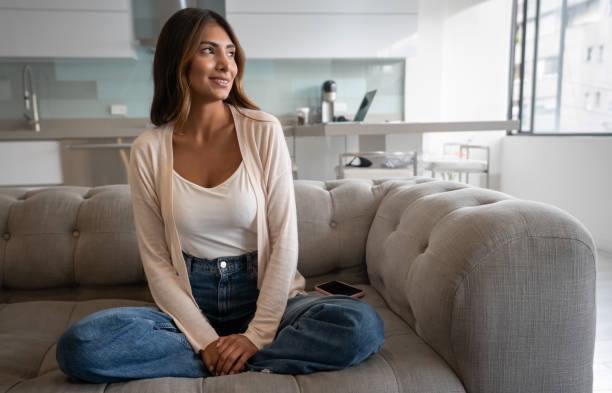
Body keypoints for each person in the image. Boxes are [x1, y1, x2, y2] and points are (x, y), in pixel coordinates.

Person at [55, 8, 384, 383]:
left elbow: (283, 240)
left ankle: (237, 358)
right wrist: (207, 340)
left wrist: (255, 335)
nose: (226, 64)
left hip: (263, 295)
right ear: (177, 61)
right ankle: (231, 359)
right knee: (80, 346)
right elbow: (157, 263)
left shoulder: (263, 130)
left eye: (230, 53)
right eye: (209, 51)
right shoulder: (149, 148)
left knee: (361, 326)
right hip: (190, 303)